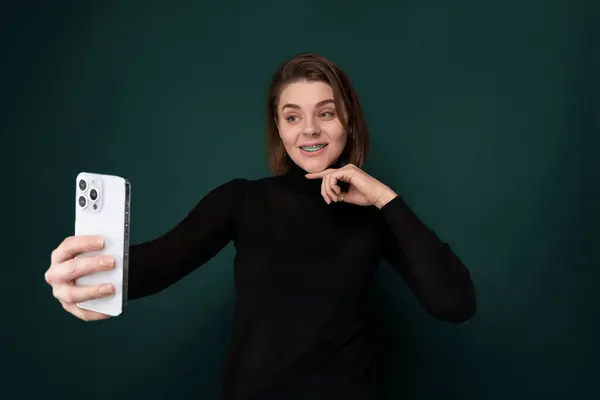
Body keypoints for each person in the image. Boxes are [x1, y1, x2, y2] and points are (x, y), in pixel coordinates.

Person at [45, 53, 476, 400]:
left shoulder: (375, 214)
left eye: (326, 113)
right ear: (278, 127)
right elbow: (159, 262)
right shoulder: (243, 199)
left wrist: (384, 198)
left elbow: (454, 303)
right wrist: (88, 275)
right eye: (293, 116)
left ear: (349, 120)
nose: (310, 129)